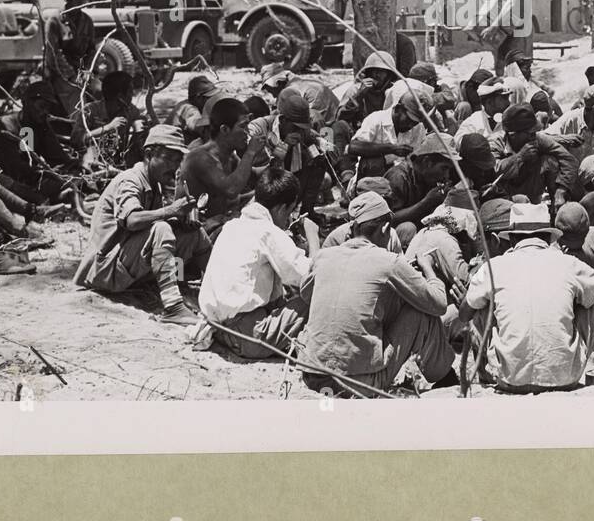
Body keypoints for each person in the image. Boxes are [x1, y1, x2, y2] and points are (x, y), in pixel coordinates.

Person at [458, 202, 594, 393]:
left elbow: (463, 315)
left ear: (511, 239)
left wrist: (468, 298)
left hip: (508, 379)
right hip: (565, 378)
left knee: (479, 305)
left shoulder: (493, 267)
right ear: (550, 237)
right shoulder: (570, 264)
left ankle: (488, 372)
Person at [299, 190, 455, 396]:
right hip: (355, 383)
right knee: (421, 314)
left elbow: (306, 294)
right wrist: (428, 269)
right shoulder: (388, 261)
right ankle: (446, 379)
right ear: (385, 228)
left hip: (313, 376)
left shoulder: (324, 256)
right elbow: (438, 304)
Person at [71, 124, 210, 325]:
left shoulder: (154, 184)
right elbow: (132, 220)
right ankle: (173, 307)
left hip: (125, 265)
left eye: (178, 160)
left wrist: (177, 219)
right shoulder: (130, 180)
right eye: (169, 158)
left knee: (194, 234)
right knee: (162, 229)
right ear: (148, 154)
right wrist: (169, 211)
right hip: (105, 269)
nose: (174, 166)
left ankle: (208, 288)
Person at [194, 169, 312, 358]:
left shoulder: (231, 226)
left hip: (219, 328)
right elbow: (306, 277)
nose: (288, 219)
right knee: (309, 299)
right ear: (282, 208)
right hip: (246, 336)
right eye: (289, 212)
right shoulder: (268, 232)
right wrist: (313, 240)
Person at [179, 97, 268, 231]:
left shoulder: (229, 156)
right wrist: (250, 153)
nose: (247, 133)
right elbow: (231, 189)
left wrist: (278, 159)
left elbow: (253, 176)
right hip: (197, 230)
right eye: (243, 126)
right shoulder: (200, 157)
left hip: (220, 224)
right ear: (224, 129)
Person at [488, 102, 576, 208]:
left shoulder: (537, 139)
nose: (534, 137)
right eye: (530, 134)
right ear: (513, 134)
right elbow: (493, 172)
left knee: (550, 161)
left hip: (530, 189)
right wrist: (520, 157)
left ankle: (554, 209)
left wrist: (562, 189)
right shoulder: (495, 143)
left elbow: (568, 159)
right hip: (504, 196)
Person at [383, 132, 457, 242]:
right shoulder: (398, 177)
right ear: (427, 162)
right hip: (391, 238)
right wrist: (426, 203)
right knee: (408, 228)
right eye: (443, 168)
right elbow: (387, 219)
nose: (446, 176)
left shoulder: (427, 178)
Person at [347, 87, 435, 176]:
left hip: (401, 175)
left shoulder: (418, 128)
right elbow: (354, 147)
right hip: (374, 176)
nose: (410, 125)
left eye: (414, 123)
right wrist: (391, 149)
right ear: (398, 108)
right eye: (408, 120)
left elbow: (415, 157)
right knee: (373, 162)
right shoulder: (376, 119)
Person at [42, 0, 97, 114]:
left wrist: (86, 71)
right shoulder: (55, 21)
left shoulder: (87, 21)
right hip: (61, 75)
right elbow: (53, 55)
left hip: (80, 73)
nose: (83, 2)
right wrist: (72, 76)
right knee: (77, 103)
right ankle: (81, 131)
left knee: (101, 92)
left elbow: (91, 50)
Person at [552, 201, 594, 270]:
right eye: (567, 238)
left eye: (578, 237)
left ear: (586, 232)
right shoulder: (552, 250)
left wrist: (590, 265)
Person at [453, 78, 511, 156]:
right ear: (489, 102)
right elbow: (458, 143)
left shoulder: (511, 119)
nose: (508, 103)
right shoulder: (474, 121)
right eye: (504, 98)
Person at [166, 73, 217, 142]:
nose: (214, 99)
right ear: (198, 98)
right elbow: (198, 125)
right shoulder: (188, 109)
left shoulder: (198, 106)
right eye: (210, 97)